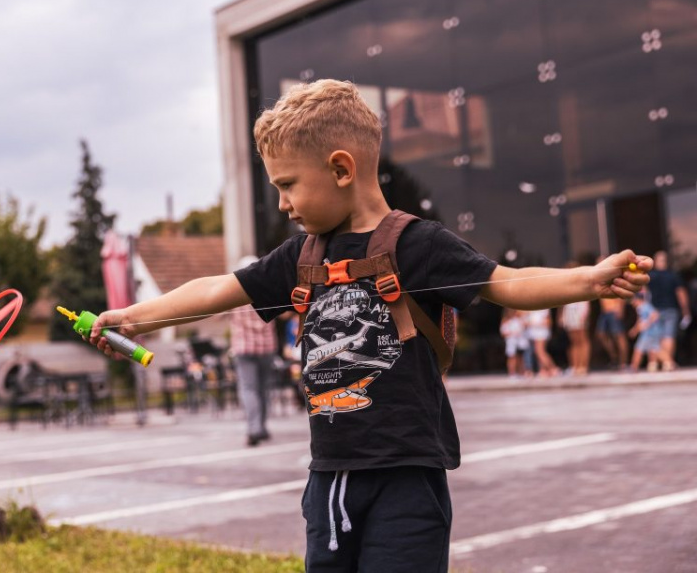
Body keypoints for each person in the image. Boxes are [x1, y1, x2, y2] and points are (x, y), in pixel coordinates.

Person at [82, 80, 651, 572]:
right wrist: (135, 317)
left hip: (406, 480)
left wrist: (587, 280)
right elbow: (217, 289)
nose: (282, 203)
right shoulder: (300, 257)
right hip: (328, 480)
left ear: (340, 169)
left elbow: (507, 283)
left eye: (287, 184)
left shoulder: (418, 245)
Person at [229, 256, 279, 447]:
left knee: (249, 389)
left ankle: (254, 428)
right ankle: (262, 427)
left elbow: (217, 315)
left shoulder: (234, 294)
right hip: (266, 347)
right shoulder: (269, 290)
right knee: (263, 389)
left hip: (244, 348)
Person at [648, 250, 691, 364]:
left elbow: (643, 294)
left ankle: (654, 363)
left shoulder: (650, 277)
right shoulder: (673, 276)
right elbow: (681, 294)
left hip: (654, 311)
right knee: (669, 336)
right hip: (671, 310)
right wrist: (686, 311)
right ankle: (667, 363)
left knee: (655, 337)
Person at [628, 291, 676, 372]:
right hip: (650, 332)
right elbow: (640, 321)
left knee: (638, 348)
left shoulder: (645, 306)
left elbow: (655, 314)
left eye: (634, 300)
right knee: (656, 349)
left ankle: (633, 367)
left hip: (650, 332)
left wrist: (647, 323)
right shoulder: (640, 308)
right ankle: (670, 363)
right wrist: (635, 330)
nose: (632, 302)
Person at [558, 272, 591, 375]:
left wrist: (583, 316)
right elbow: (564, 303)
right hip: (570, 313)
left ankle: (583, 366)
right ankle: (575, 366)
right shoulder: (567, 288)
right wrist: (562, 316)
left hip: (579, 312)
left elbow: (586, 301)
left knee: (582, 341)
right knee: (574, 342)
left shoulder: (582, 286)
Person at [597, 291, 629, 371]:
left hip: (614, 310)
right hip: (604, 311)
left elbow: (621, 292)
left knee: (619, 336)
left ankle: (623, 362)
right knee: (600, 334)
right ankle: (614, 357)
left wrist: (620, 308)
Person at [525, 309, 559, 377]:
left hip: (541, 332)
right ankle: (544, 370)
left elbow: (548, 322)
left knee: (540, 352)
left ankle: (553, 368)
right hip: (535, 332)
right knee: (538, 352)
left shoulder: (544, 309)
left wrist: (533, 323)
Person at [500, 308, 529, 378]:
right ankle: (512, 373)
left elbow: (525, 326)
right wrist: (512, 333)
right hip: (511, 342)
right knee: (512, 358)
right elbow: (503, 333)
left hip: (520, 342)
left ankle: (521, 372)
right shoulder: (505, 321)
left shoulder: (519, 320)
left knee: (520, 358)